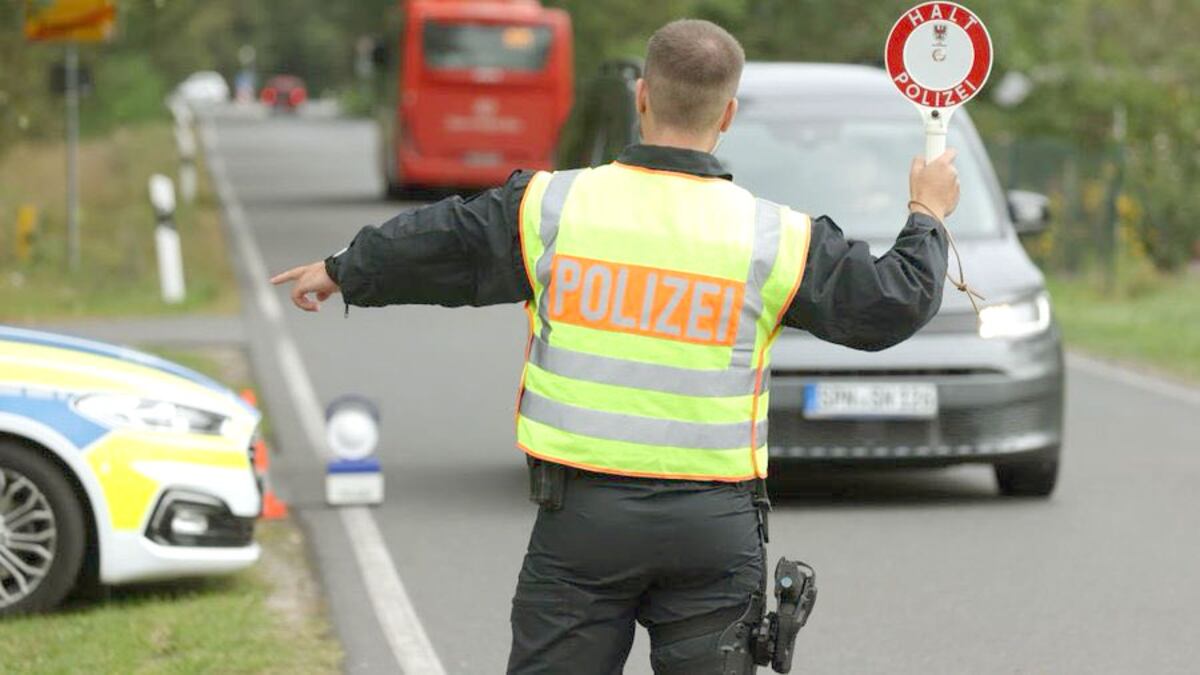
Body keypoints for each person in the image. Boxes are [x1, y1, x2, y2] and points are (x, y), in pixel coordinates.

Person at [271, 19, 959, 675]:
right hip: (713, 527)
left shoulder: (552, 208)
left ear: (641, 98)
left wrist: (342, 269)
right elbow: (892, 301)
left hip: (583, 522)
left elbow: (442, 242)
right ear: (727, 115)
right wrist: (926, 212)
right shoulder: (774, 237)